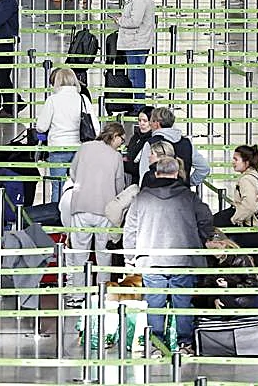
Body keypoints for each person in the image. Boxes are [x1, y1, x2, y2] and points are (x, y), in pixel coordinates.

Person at [122, 156, 214, 355]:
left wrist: (129, 258)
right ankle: (185, 344)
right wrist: (202, 237)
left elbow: (130, 230)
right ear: (176, 173)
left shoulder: (142, 198)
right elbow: (206, 218)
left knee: (154, 303)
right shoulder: (189, 198)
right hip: (183, 259)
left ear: (156, 173)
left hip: (151, 260)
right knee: (183, 303)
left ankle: (156, 345)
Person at [65, 122, 126, 304]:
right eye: (121, 140)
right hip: (104, 210)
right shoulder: (116, 157)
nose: (121, 144)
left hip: (80, 206)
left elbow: (73, 173)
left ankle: (78, 295)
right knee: (103, 255)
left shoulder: (84, 148)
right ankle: (103, 295)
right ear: (115, 136)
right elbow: (119, 186)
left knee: (79, 254)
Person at [36, 67, 98, 202]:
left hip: (58, 148)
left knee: (57, 187)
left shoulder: (53, 100)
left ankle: (57, 217)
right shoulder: (83, 99)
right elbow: (96, 128)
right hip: (80, 149)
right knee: (79, 186)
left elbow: (41, 127)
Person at [134, 106, 210, 187]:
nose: (150, 124)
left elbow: (143, 174)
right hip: (181, 194)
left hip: (156, 194)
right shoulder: (187, 143)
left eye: (151, 121)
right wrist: (187, 183)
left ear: (157, 123)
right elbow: (204, 168)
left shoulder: (150, 143)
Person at [112, 0, 155, 105]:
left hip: (137, 43)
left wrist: (120, 20)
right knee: (135, 74)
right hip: (135, 41)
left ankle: (139, 106)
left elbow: (135, 21)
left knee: (136, 75)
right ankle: (137, 104)